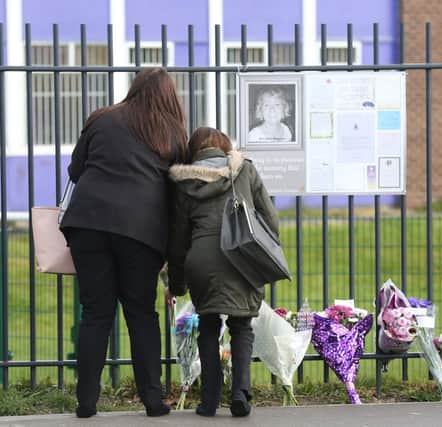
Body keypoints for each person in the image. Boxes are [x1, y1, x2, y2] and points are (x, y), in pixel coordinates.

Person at [60, 67, 188, 418]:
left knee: (96, 313)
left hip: (88, 224)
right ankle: (152, 400)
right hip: (141, 232)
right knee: (141, 314)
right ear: (167, 95)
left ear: (134, 88)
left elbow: (75, 171)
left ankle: (85, 403)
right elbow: (178, 189)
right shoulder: (173, 132)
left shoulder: (101, 119)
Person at [166, 127, 279, 417]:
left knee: (208, 324)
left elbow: (178, 239)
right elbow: (270, 218)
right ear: (225, 146)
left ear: (194, 151)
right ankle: (240, 393)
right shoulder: (245, 171)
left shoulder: (184, 182)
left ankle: (209, 400)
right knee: (241, 326)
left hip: (202, 259)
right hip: (241, 254)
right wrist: (265, 255)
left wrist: (177, 283)